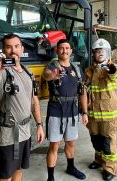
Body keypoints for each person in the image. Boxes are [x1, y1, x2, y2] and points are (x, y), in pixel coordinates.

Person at [0, 33, 45, 181]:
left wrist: (39, 125)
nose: (13, 50)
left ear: (22, 49)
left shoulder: (28, 72)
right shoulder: (2, 71)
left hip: (25, 132)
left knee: (19, 170)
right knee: (5, 176)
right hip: (9, 134)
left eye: (16, 46)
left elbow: (34, 99)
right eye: (8, 47)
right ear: (3, 50)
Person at [42, 39, 88, 181]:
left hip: (72, 112)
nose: (65, 51)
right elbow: (46, 75)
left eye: (67, 48)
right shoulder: (52, 66)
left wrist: (84, 112)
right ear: (57, 51)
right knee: (54, 145)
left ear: (71, 51)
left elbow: (83, 92)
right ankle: (50, 177)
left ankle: (71, 167)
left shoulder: (76, 69)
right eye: (61, 48)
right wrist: (53, 75)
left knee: (70, 142)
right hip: (56, 111)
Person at [84, 38, 117, 181]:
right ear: (93, 53)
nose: (100, 53)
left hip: (109, 115)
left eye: (103, 51)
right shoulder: (89, 71)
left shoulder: (111, 68)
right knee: (96, 140)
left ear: (108, 53)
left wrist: (111, 69)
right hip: (93, 114)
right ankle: (99, 160)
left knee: (107, 142)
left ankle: (110, 168)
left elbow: (115, 72)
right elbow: (84, 92)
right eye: (97, 51)